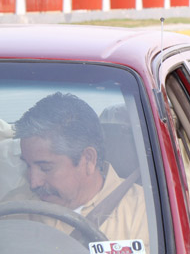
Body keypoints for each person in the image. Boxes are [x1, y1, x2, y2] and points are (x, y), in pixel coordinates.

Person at [6, 92, 148, 248]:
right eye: (27, 165)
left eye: (45, 168)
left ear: (88, 159)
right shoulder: (13, 208)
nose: (33, 182)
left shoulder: (144, 214)